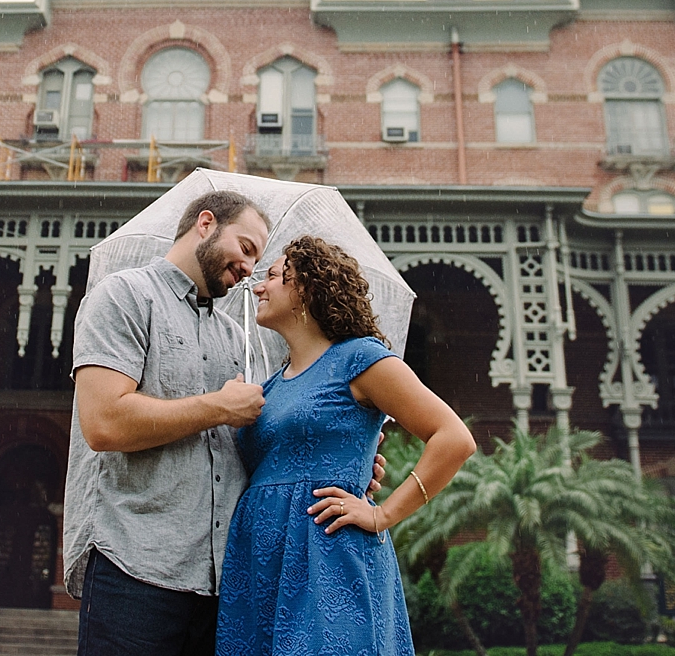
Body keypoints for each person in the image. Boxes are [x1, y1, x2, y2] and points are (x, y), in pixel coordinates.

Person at [217, 236, 477, 656]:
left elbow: (454, 438)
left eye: (271, 276)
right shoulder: (266, 385)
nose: (257, 287)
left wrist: (383, 514)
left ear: (306, 287)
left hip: (328, 552)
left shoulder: (360, 359)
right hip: (259, 561)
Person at [65, 190, 278, 656]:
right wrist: (218, 407)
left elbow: (253, 446)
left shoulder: (236, 338)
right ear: (206, 224)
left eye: (257, 260)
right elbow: (104, 423)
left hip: (221, 586)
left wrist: (347, 462)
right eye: (245, 248)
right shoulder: (123, 296)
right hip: (135, 571)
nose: (248, 269)